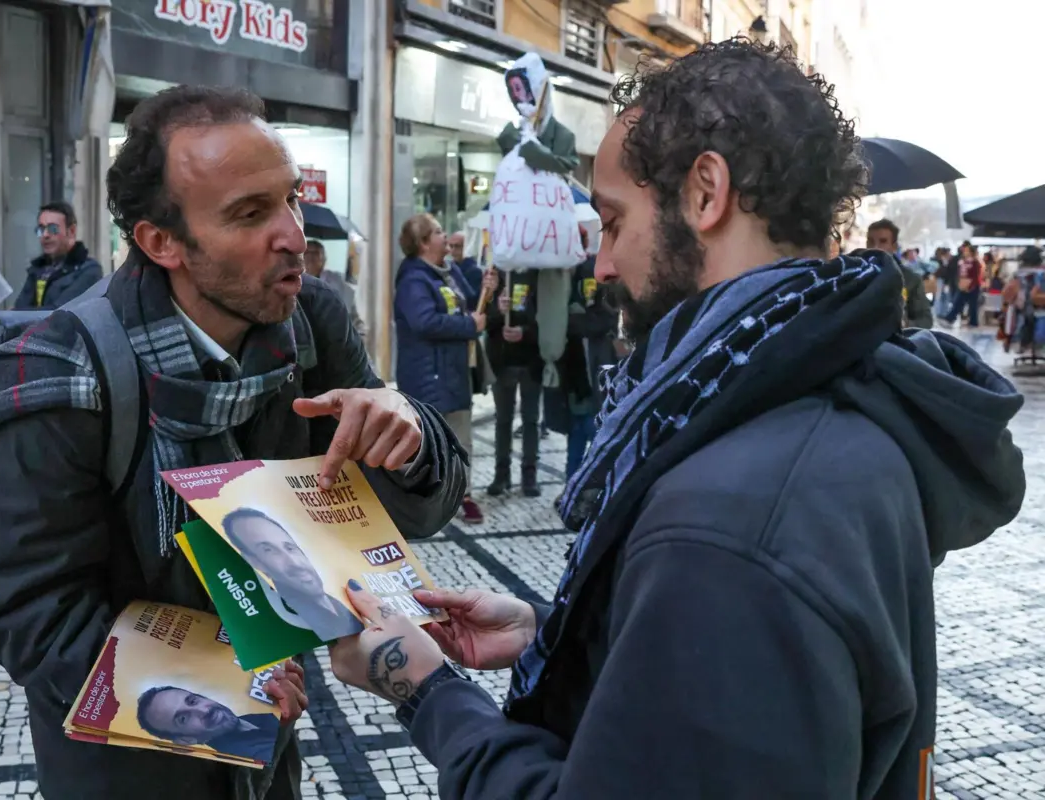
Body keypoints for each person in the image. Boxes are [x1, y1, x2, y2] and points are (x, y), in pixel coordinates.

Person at [325, 39, 1026, 798]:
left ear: (705, 194)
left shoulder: (729, 518)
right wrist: (568, 633)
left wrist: (428, 691)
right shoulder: (841, 399)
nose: (601, 264)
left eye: (613, 221)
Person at [0, 85, 468, 800]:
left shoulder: (309, 320)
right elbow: (14, 600)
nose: (294, 235)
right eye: (250, 214)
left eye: (290, 199)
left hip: (266, 758)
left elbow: (400, 513)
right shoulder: (61, 368)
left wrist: (408, 440)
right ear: (161, 243)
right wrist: (219, 690)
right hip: (124, 765)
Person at [393, 212, 493, 524]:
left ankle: (463, 495)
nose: (445, 236)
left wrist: (488, 290)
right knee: (428, 441)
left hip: (454, 373)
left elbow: (471, 303)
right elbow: (424, 322)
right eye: (438, 231)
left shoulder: (448, 272)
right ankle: (426, 500)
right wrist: (469, 326)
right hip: (428, 376)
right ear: (423, 243)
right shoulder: (413, 279)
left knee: (461, 438)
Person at [223, 508, 363, 640]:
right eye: (268, 550)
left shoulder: (342, 601)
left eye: (290, 547)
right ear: (254, 562)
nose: (295, 563)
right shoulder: (290, 620)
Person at [554, 229, 617, 481]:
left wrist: (571, 321)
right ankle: (573, 484)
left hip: (593, 364)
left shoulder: (593, 271)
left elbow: (604, 316)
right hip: (571, 369)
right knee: (577, 430)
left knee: (592, 426)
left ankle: (590, 483)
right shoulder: (556, 275)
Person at [484, 267, 543, 497]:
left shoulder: (538, 274)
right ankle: (502, 473)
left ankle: (529, 474)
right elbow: (482, 321)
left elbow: (548, 318)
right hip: (502, 362)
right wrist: (498, 311)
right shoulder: (494, 275)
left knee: (531, 420)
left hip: (531, 361)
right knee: (503, 420)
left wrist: (524, 332)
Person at [137, 685, 282, 761]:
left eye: (193, 701)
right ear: (185, 740)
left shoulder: (257, 718)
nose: (203, 711)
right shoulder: (253, 755)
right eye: (183, 718)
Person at [13, 201, 103, 310]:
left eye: (53, 229)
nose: (45, 235)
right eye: (41, 229)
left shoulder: (88, 270)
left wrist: (21, 314)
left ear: (71, 231)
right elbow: (18, 309)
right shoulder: (38, 268)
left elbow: (59, 313)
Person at [866, 219, 934, 329]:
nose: (875, 246)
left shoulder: (910, 279)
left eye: (883, 241)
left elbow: (925, 320)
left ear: (894, 247)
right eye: (870, 241)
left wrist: (903, 325)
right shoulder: (853, 274)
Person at [304, 239, 365, 340]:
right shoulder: (293, 280)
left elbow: (350, 314)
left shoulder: (336, 282)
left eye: (315, 253)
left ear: (324, 260)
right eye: (306, 253)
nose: (310, 257)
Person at [944, 241, 985, 327]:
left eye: (967, 251)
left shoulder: (975, 262)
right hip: (963, 285)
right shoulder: (963, 261)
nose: (964, 252)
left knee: (972, 305)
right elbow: (960, 273)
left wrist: (971, 286)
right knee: (958, 302)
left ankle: (973, 322)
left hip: (973, 286)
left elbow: (976, 276)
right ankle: (950, 318)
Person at [446, 231, 483, 297]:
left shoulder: (474, 271)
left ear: (466, 247)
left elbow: (472, 298)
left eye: (457, 246)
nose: (453, 250)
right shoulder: (449, 267)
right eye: (451, 246)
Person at [931, 246, 955, 318]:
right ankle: (938, 312)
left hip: (946, 281)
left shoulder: (948, 261)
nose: (950, 254)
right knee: (939, 297)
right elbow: (939, 272)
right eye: (948, 253)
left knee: (945, 297)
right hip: (940, 280)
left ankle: (944, 312)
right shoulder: (938, 261)